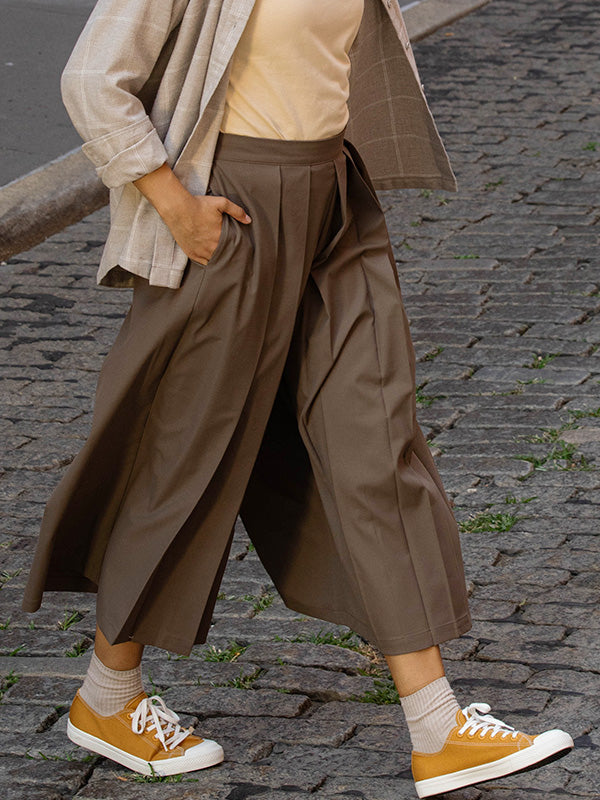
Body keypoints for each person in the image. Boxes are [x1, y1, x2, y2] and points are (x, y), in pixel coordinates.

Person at [20, 0, 574, 796]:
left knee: (376, 442)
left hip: (333, 201)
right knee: (189, 453)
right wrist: (175, 206)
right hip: (233, 209)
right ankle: (108, 694)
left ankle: (438, 725)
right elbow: (92, 80)